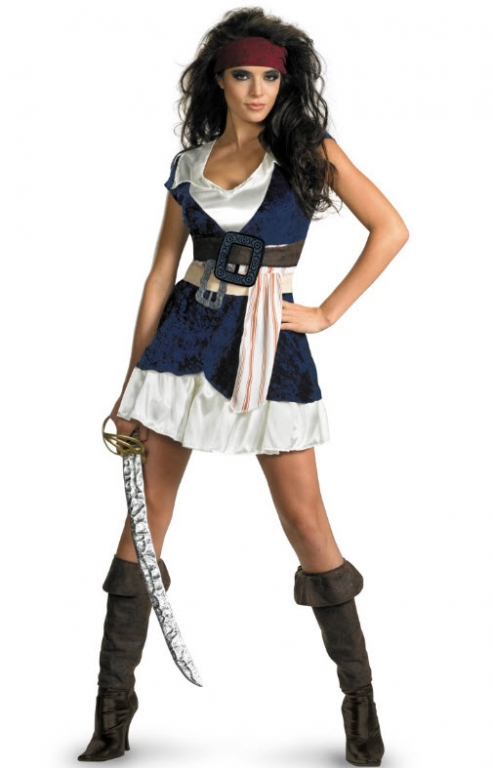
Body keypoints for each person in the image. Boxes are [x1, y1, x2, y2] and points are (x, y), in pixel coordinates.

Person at [77, 7, 408, 766]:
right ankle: (111, 711)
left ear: (283, 83)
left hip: (270, 346)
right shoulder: (190, 162)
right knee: (142, 524)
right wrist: (129, 384)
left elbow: (389, 228)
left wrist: (324, 312)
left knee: (308, 524)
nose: (257, 89)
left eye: (269, 76)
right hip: (183, 341)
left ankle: (360, 706)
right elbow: (160, 273)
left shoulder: (309, 150)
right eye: (241, 75)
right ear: (218, 82)